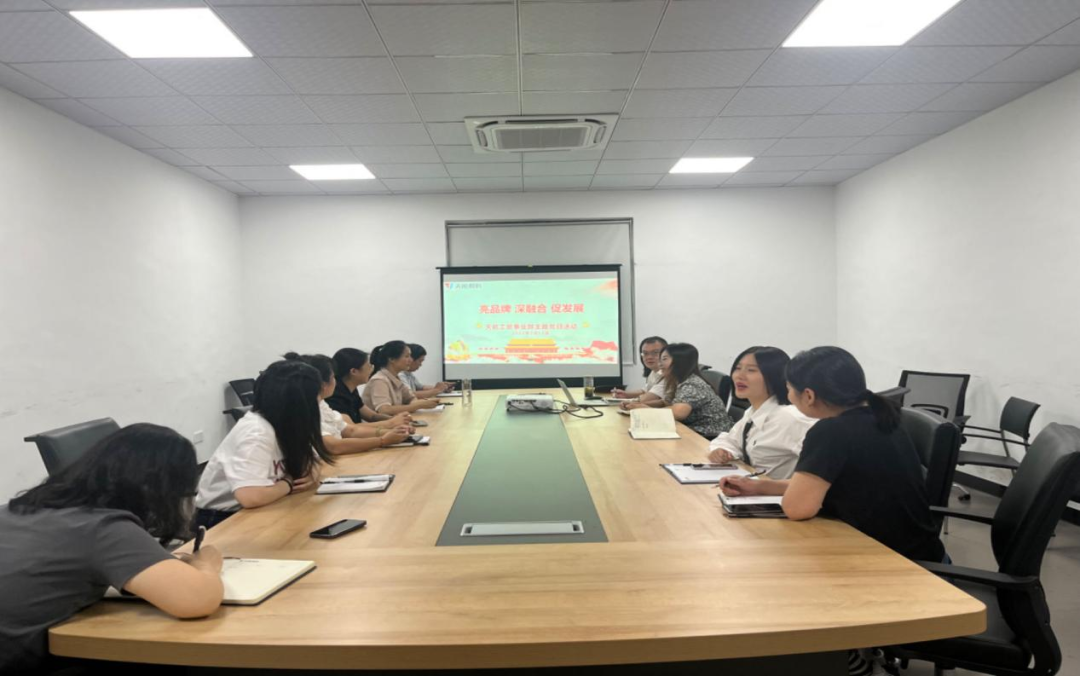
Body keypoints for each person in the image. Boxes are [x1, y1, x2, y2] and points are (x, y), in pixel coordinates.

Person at [0, 424, 224, 673]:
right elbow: (196, 600)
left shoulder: (17, 508)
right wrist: (205, 563)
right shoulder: (103, 527)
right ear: (160, 490)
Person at [719, 346, 946, 563]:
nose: (788, 396)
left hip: (890, 559)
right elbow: (821, 484)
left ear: (808, 395)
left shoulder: (830, 431)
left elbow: (797, 508)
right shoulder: (883, 417)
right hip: (918, 548)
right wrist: (759, 487)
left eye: (789, 389)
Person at [195, 359, 334, 529]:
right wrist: (289, 483)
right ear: (300, 402)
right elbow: (251, 497)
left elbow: (312, 460)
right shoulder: (256, 433)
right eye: (316, 396)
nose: (318, 402)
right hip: (223, 518)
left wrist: (312, 473)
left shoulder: (287, 424)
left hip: (268, 505)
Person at [706, 346, 814, 478]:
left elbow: (827, 466)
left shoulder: (791, 418)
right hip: (751, 483)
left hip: (772, 489)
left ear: (775, 376)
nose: (739, 376)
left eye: (751, 370)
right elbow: (731, 440)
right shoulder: (754, 411)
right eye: (738, 368)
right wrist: (721, 450)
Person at [284, 352, 413, 454]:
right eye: (333, 377)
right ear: (323, 384)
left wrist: (394, 432)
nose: (371, 368)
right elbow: (333, 446)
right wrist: (383, 439)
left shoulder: (321, 403)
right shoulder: (307, 407)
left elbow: (350, 430)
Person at [622, 343, 733, 439]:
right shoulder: (677, 381)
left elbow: (678, 413)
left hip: (709, 435)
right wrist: (637, 404)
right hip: (691, 430)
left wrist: (645, 409)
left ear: (679, 362)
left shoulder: (692, 384)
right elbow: (666, 402)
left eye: (664, 359)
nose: (660, 364)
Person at [363, 341, 441, 415]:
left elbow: (411, 398)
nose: (411, 360)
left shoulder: (395, 378)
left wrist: (425, 403)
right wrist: (418, 405)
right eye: (407, 356)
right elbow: (384, 410)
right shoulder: (379, 380)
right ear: (391, 359)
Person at [326, 347, 398, 424]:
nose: (371, 370)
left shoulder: (351, 389)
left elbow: (372, 416)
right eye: (369, 366)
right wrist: (391, 423)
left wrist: (396, 419)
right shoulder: (335, 395)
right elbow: (351, 428)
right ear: (354, 371)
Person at [612, 336, 668, 407]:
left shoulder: (669, 374)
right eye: (645, 353)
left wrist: (630, 402)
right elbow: (645, 390)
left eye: (655, 352)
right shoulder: (654, 372)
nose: (649, 357)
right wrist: (626, 394)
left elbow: (650, 397)